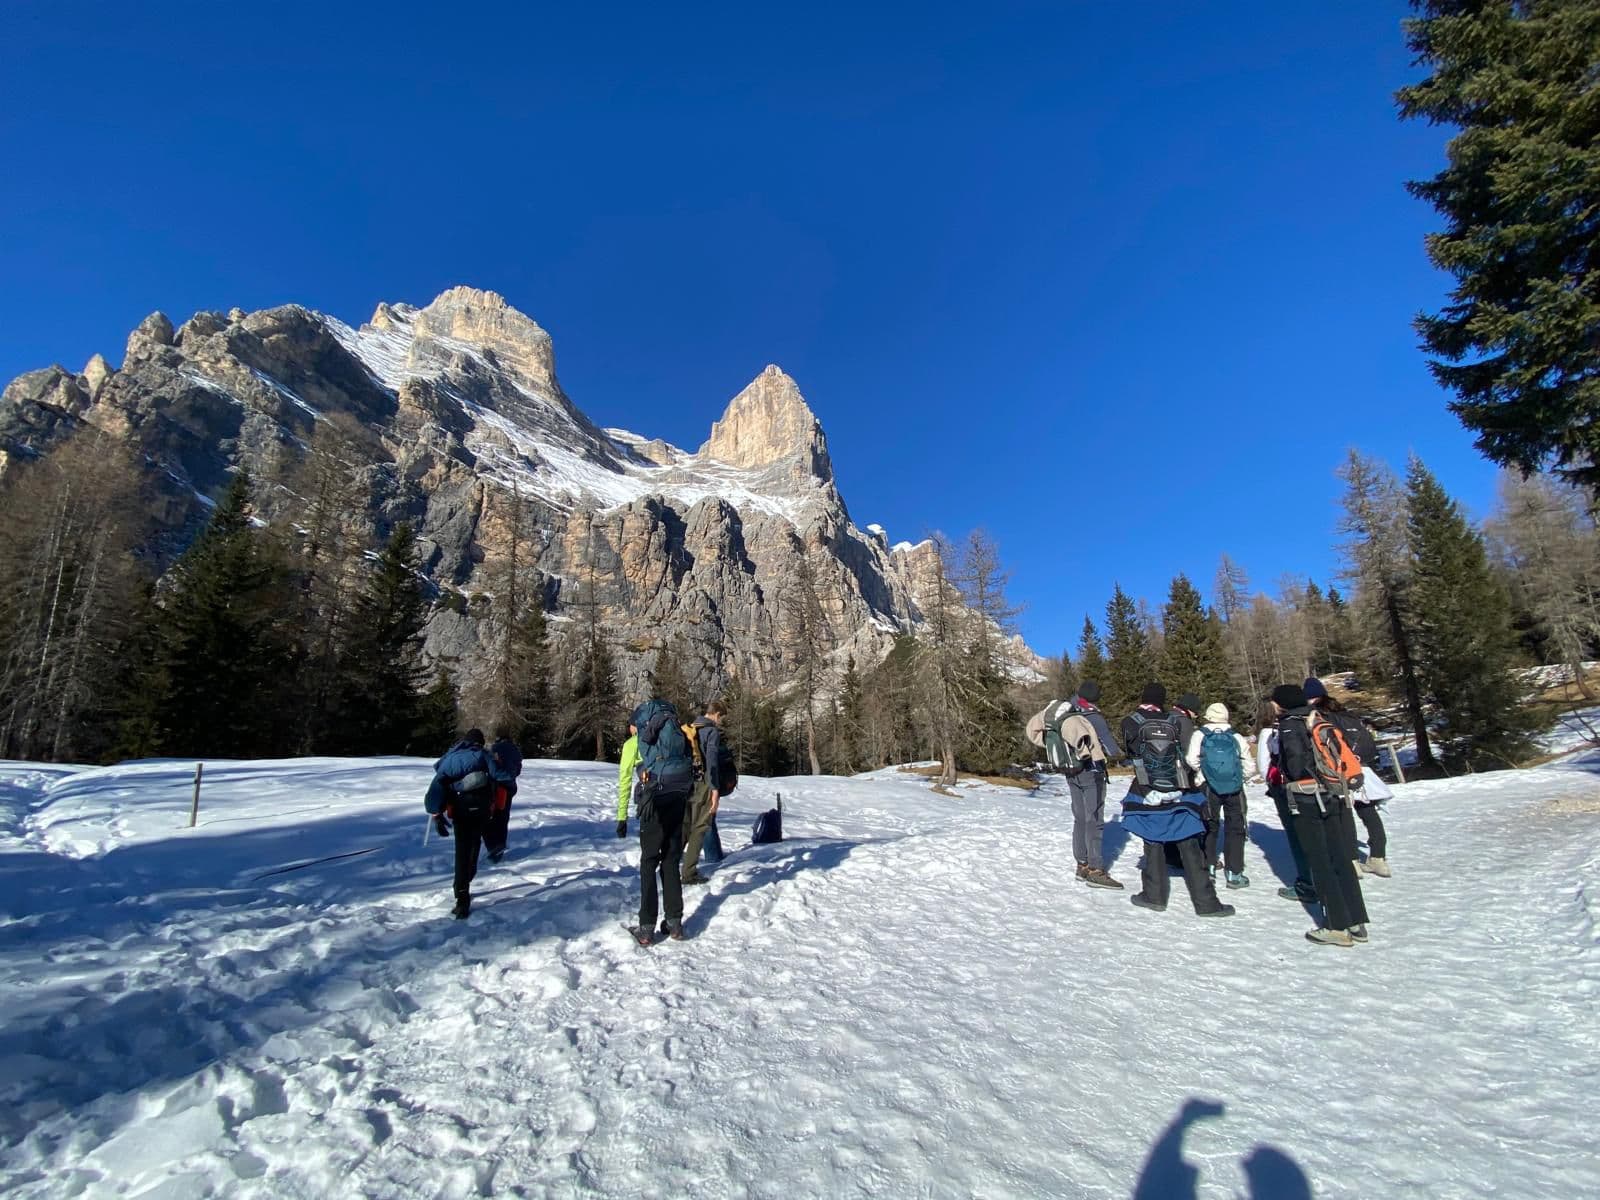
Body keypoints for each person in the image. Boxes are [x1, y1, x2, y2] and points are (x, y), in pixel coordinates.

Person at [1120, 683, 1235, 917]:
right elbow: (1186, 753)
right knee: (1188, 839)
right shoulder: (1174, 721)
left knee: (1152, 840)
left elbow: (1131, 752)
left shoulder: (1130, 721)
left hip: (1146, 786)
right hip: (1179, 785)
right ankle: (1207, 903)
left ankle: (1154, 896)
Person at [1271, 683, 1370, 947]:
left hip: (1307, 797)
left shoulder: (1290, 725)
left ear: (1281, 703)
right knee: (1339, 856)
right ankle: (1356, 921)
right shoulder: (1317, 718)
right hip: (1332, 793)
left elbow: (1295, 764)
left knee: (1320, 860)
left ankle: (1337, 926)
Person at [618, 698, 696, 944]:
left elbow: (624, 781)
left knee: (648, 860)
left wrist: (621, 816)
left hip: (655, 798)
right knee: (671, 858)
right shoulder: (674, 735)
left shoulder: (634, 744)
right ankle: (674, 923)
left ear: (636, 725)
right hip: (679, 791)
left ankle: (646, 926)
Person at [1305, 677, 1391, 878]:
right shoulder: (1343, 712)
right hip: (1362, 770)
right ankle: (1378, 858)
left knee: (1345, 815)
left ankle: (1351, 860)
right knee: (1369, 812)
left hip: (1340, 770)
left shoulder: (1318, 716)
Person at [424, 728, 514, 919]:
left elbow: (437, 786)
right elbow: (502, 776)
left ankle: (461, 896)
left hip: (459, 811)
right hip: (481, 810)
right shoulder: (484, 755)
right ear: (479, 742)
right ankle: (469, 876)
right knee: (474, 845)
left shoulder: (450, 758)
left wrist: (436, 814)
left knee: (461, 851)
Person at [1185, 702, 1256, 888]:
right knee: (1235, 828)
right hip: (1234, 787)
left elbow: (1191, 759)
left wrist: (1204, 773)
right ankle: (1234, 872)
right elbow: (1249, 765)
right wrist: (1238, 776)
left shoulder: (1199, 735)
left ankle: (1208, 866)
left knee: (1210, 825)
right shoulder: (1236, 737)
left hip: (1208, 786)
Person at [1257, 699, 1316, 903]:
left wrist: (1272, 785)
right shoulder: (1311, 721)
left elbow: (1264, 765)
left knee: (1296, 833)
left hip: (1286, 788)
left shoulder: (1272, 731)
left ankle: (1306, 882)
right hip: (1318, 785)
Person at [1067, 681, 1124, 888]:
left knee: (1080, 818)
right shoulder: (1094, 717)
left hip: (1072, 772)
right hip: (1092, 772)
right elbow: (1111, 748)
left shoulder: (1069, 713)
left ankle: (1081, 865)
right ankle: (1095, 868)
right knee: (1095, 819)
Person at [682, 700, 730, 885]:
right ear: (717, 714)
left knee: (685, 825)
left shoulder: (690, 727)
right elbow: (712, 762)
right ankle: (689, 873)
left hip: (685, 783)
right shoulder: (711, 732)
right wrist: (715, 788)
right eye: (721, 717)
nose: (721, 721)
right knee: (701, 826)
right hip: (702, 783)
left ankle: (669, 864)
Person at [484, 727, 524, 863]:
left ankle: (494, 846)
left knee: (492, 815)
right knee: (504, 815)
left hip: (497, 785)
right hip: (510, 786)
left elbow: (491, 767)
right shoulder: (515, 749)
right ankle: (500, 842)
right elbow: (518, 769)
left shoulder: (495, 748)